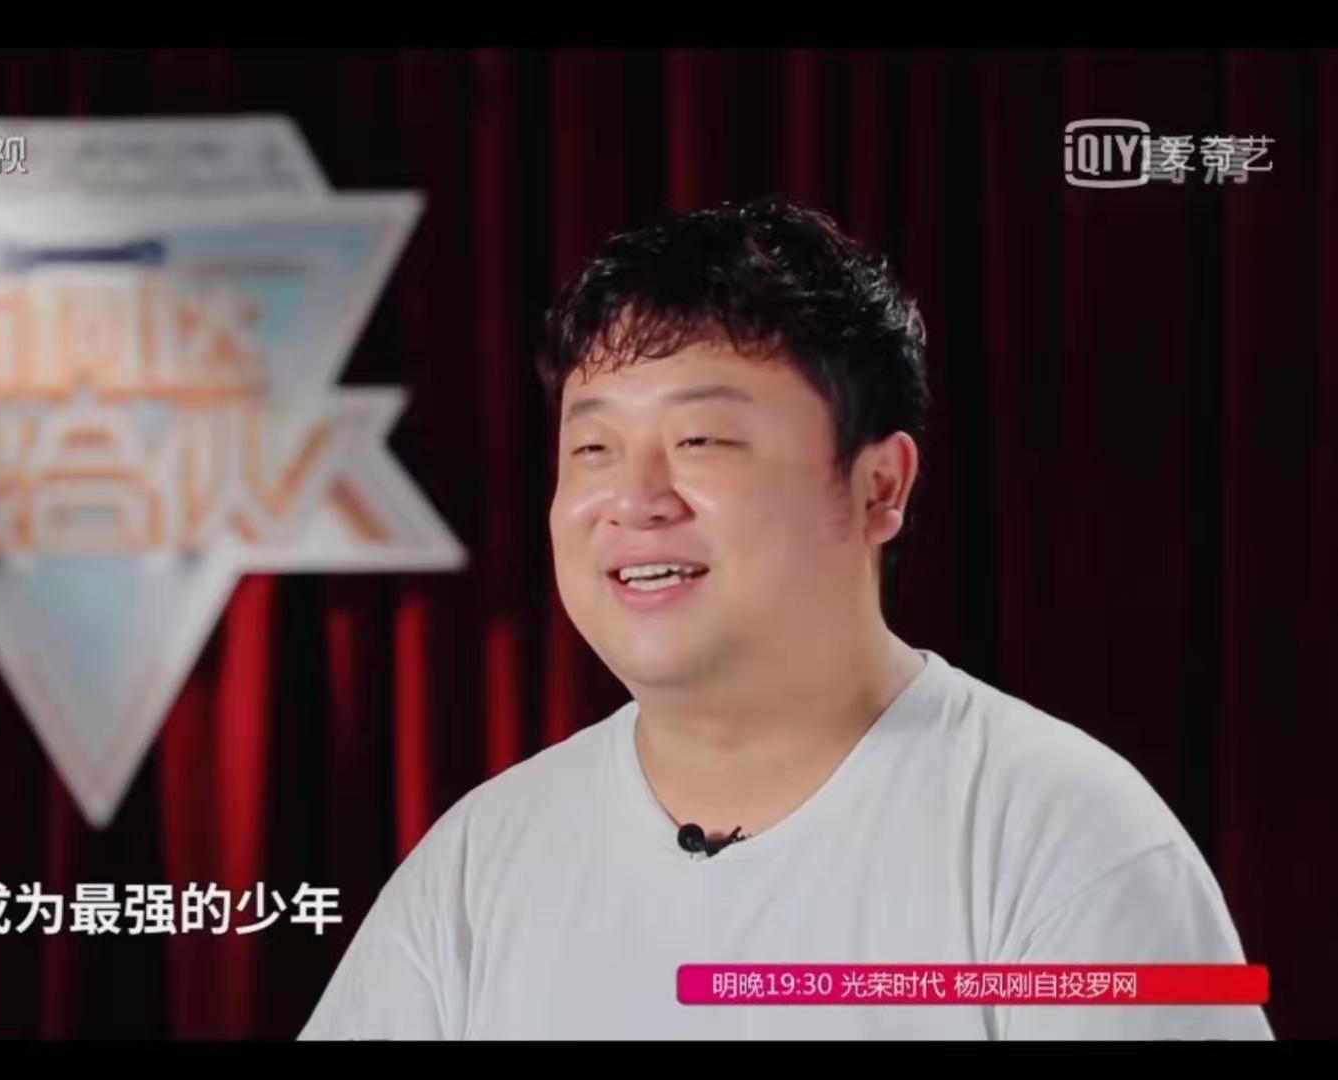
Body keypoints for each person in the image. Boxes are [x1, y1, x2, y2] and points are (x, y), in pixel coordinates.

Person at [299, 196, 1272, 1040]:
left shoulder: (1063, 836)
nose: (634, 499)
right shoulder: (481, 859)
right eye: (591, 448)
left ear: (878, 486)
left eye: (700, 439)